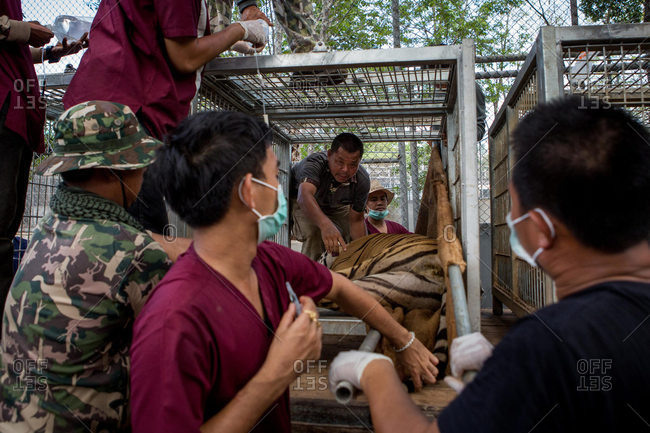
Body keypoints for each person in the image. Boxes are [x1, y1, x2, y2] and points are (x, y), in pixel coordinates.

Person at [328, 96, 650, 432]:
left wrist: (375, 373)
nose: (509, 217)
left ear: (541, 229)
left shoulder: (546, 347)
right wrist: (503, 377)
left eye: (514, 206)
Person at [129, 111, 439, 433]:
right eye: (275, 176)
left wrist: (405, 341)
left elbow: (342, 289)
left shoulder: (272, 260)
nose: (280, 186)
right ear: (249, 191)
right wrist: (278, 372)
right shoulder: (170, 323)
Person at [0, 101, 174, 432]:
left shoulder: (47, 227)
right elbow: (173, 356)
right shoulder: (137, 253)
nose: (143, 174)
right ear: (116, 170)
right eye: (139, 164)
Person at [63, 0, 269, 235]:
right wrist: (239, 29)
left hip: (91, 108)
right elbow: (184, 57)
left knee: (87, 232)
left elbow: (156, 37)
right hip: (125, 114)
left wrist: (230, 41)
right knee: (144, 237)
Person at [0, 3, 87, 313]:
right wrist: (23, 29)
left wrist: (52, 53)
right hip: (4, 108)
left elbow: (14, 52)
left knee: (7, 228)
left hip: (17, 112)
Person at [290, 133, 370, 260]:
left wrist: (363, 254)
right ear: (329, 155)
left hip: (334, 204)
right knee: (315, 232)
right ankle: (311, 271)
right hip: (305, 201)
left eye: (353, 165)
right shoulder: (314, 163)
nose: (345, 170)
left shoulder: (362, 179)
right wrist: (325, 225)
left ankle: (344, 269)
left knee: (350, 237)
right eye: (339, 162)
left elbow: (356, 220)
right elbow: (304, 195)